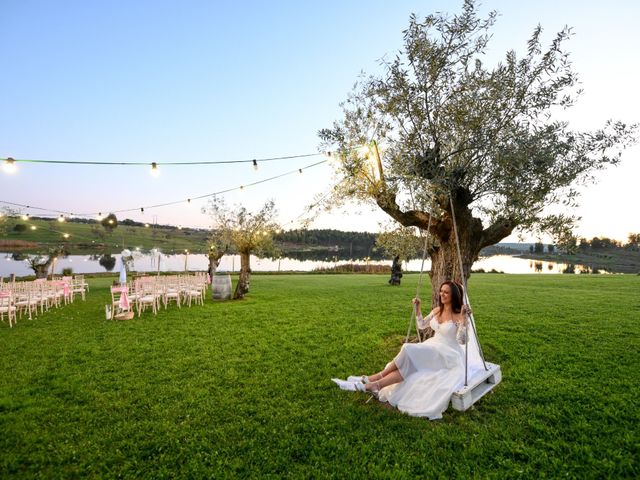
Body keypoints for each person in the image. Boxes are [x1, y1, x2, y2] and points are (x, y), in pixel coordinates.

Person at [332, 281, 472, 419]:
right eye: (441, 291)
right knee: (409, 364)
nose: (442, 294)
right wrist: (418, 309)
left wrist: (465, 320)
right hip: (433, 346)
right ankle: (374, 384)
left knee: (407, 348)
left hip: (448, 354)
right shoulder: (437, 311)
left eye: (446, 292)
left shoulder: (460, 315)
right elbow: (422, 325)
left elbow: (462, 341)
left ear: (453, 295)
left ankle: (372, 379)